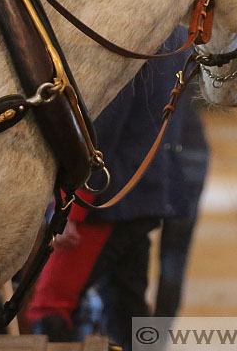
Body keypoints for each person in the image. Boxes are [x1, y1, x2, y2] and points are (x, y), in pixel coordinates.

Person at [27, 27, 209, 349]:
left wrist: (68, 211)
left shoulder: (129, 37)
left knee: (51, 306)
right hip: (144, 195)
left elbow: (101, 137)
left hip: (104, 203)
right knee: (126, 309)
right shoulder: (173, 36)